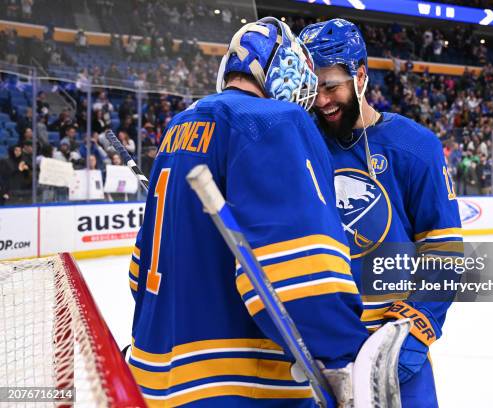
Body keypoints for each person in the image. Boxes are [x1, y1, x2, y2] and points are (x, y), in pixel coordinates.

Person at [128, 17, 368, 407]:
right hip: (237, 388)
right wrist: (346, 355)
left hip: (153, 380)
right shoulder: (275, 120)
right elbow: (303, 277)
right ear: (288, 71)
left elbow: (141, 274)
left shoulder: (179, 126)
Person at [301, 19, 462, 407]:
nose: (322, 101)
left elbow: (445, 254)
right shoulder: (298, 145)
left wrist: (415, 330)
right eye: (312, 89)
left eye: (331, 86)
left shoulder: (415, 147)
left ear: (360, 77)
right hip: (317, 353)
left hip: (391, 348)